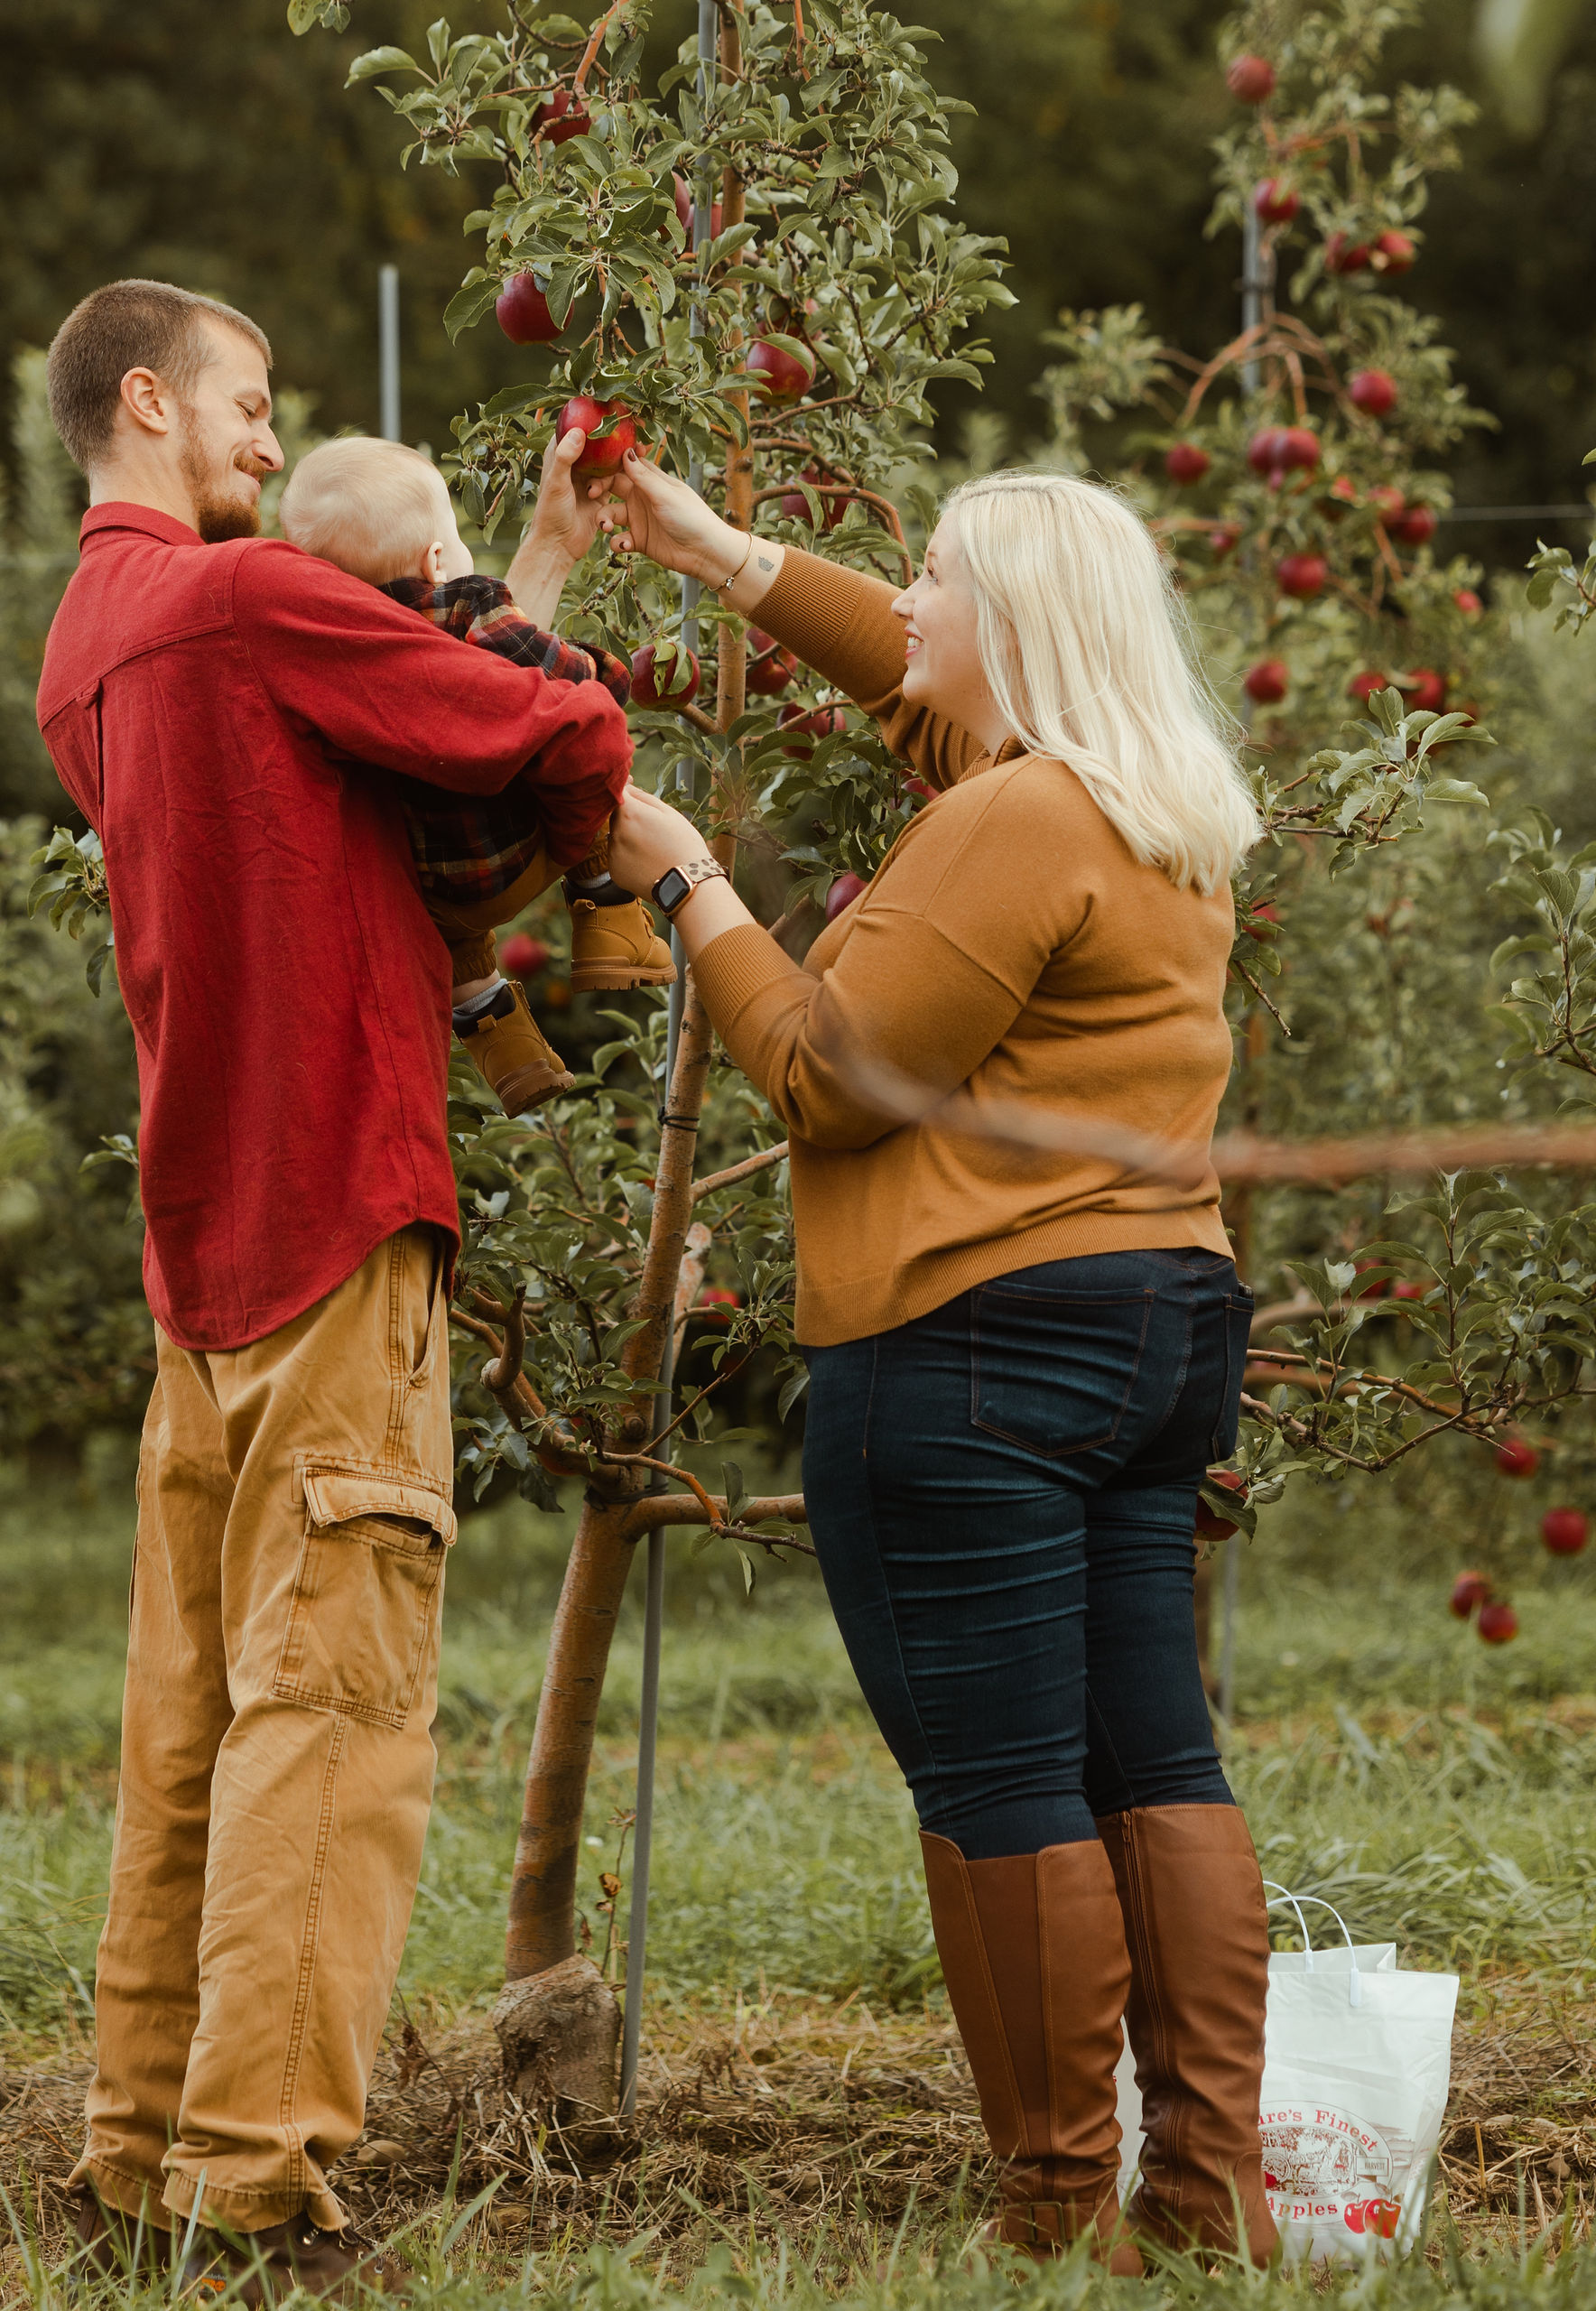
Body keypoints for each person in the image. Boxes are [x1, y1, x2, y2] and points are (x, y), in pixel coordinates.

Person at [600, 455, 1279, 2271]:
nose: (907, 599)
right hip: (1156, 1321)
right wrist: (725, 555)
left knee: (999, 1781)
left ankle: (1054, 2210)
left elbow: (829, 1074)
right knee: (1156, 1754)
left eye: (938, 577)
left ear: (1021, 622)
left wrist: (686, 888)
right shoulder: (1148, 802)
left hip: (974, 1336)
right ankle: (1208, 2198)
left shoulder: (1009, 822)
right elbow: (907, 682)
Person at [34, 279, 630, 2303]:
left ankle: (140, 2146)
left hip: (205, 1245)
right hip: (342, 1208)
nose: (270, 447)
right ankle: (257, 2182)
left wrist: (517, 554)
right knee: (337, 1720)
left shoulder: (87, 647)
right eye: (249, 405)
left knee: (193, 1718)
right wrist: (573, 823)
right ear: (146, 400)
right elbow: (549, 720)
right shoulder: (234, 599)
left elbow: (336, 793)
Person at [278, 435, 673, 1116]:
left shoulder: (333, 656)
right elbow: (540, 669)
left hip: (434, 896)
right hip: (519, 849)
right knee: (581, 744)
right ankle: (605, 910)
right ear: (437, 556)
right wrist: (606, 671)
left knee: (460, 947)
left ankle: (510, 1055)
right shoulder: (466, 603)